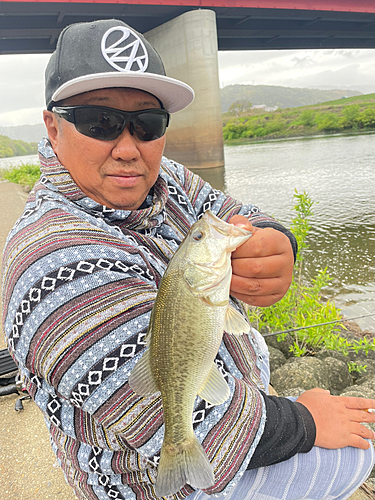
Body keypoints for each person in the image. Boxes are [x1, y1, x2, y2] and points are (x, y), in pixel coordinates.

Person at [2, 18, 375, 500]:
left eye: (148, 123)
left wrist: (276, 241)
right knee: (360, 450)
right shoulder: (50, 265)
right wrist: (306, 420)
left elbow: (237, 216)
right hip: (148, 474)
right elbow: (190, 419)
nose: (128, 147)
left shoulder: (163, 180)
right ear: (53, 127)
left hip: (230, 399)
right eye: (100, 121)